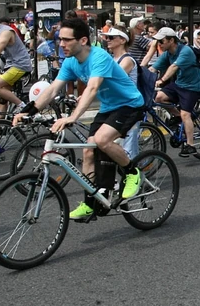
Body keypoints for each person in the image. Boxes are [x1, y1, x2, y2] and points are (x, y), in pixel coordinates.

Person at [14, 18, 145, 221]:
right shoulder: (71, 62)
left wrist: (72, 117)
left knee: (102, 140)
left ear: (83, 40)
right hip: (109, 107)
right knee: (88, 150)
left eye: (67, 40)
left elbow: (92, 88)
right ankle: (91, 203)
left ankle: (132, 172)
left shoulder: (99, 56)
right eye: (60, 40)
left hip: (130, 104)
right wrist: (28, 111)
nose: (61, 44)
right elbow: (52, 89)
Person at [150, 27, 200, 157]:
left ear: (171, 40)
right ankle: (178, 116)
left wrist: (162, 80)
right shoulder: (168, 53)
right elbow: (153, 68)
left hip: (192, 87)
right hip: (179, 84)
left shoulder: (185, 51)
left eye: (161, 41)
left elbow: (174, 67)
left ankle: (190, 145)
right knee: (158, 98)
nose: (159, 44)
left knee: (186, 114)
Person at [102, 28, 141, 159]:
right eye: (107, 37)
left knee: (128, 153)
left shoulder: (127, 60)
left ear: (123, 40)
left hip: (129, 107)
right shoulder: (112, 59)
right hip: (115, 106)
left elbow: (112, 80)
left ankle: (136, 175)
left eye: (111, 38)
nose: (108, 40)